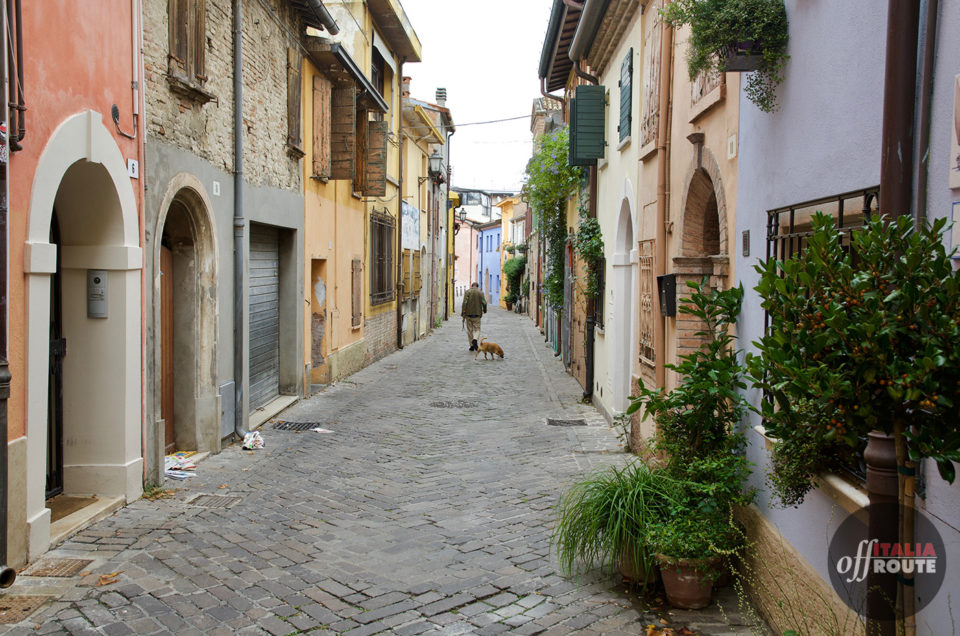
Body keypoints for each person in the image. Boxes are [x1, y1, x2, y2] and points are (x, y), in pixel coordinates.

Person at [461, 282, 487, 351]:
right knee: (477, 329)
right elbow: (484, 303)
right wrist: (484, 310)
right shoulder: (480, 293)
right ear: (478, 286)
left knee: (470, 330)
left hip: (468, 315)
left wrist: (463, 312)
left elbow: (464, 303)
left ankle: (471, 346)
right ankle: (475, 339)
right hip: (477, 315)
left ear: (471, 286)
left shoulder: (467, 292)